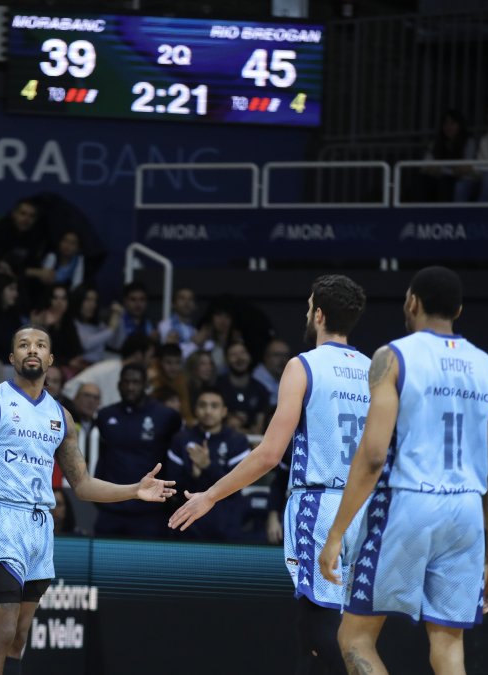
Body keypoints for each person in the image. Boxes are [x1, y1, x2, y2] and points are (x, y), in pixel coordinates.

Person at [0, 325, 176, 675]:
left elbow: (82, 484)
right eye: (23, 344)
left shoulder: (61, 417)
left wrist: (133, 489)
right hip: (0, 518)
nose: (31, 349)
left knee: (19, 636)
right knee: (1, 632)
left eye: (40, 345)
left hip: (40, 528)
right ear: (12, 357)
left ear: (50, 359)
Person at [170, 274, 370, 673]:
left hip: (320, 505)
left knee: (322, 631)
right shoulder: (372, 369)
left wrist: (210, 494)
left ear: (319, 314)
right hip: (363, 507)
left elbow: (268, 454)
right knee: (340, 631)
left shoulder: (303, 366)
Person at [318, 266, 488, 674]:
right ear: (458, 309)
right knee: (448, 647)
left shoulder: (393, 357)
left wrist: (336, 534)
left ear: (412, 303)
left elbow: (372, 456)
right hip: (466, 513)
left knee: (355, 637)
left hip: (408, 503)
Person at [91, 363, 182, 539]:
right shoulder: (105, 415)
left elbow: (175, 454)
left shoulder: (166, 416)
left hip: (149, 509)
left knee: (146, 565)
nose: (130, 387)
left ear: (145, 385)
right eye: (126, 382)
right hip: (111, 506)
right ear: (119, 385)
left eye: (136, 382)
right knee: (102, 563)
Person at [164, 388, 253, 540]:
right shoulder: (181, 439)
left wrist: (207, 466)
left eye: (214, 406)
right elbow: (172, 488)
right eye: (203, 405)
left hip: (226, 524)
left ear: (224, 411)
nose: (208, 411)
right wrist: (194, 476)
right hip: (188, 526)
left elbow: (237, 487)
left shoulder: (237, 441)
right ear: (195, 410)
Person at [215, 342, 272, 434]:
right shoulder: (217, 387)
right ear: (226, 359)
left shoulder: (261, 389)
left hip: (253, 442)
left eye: (243, 353)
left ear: (250, 357)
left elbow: (259, 428)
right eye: (233, 355)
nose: (239, 358)